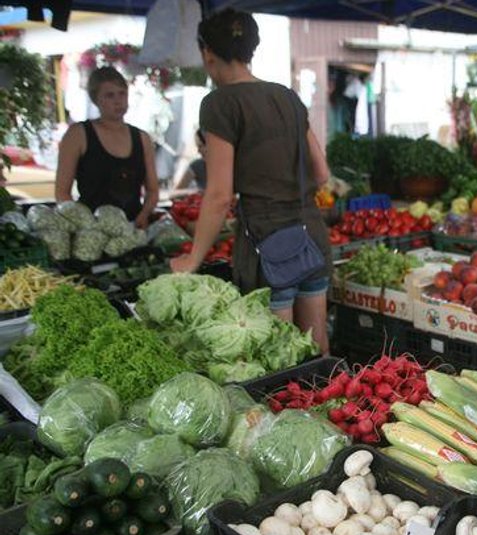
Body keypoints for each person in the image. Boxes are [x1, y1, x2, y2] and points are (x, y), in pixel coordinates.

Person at [170, 8, 332, 354]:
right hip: (311, 235)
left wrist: (193, 259)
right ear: (250, 50)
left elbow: (218, 195)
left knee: (278, 358)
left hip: (266, 244)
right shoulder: (287, 97)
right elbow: (321, 173)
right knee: (317, 351)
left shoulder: (219, 104)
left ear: (207, 53)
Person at [55, 66, 159, 228]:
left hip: (132, 227)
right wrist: (87, 226)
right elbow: (62, 192)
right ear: (95, 99)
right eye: (110, 95)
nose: (118, 101)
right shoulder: (78, 134)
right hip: (91, 230)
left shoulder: (142, 138)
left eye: (122, 93)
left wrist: (144, 215)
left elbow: (152, 191)